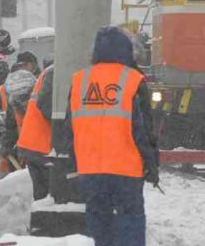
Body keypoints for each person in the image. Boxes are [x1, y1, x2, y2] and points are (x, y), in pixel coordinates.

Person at [64, 26, 159, 246]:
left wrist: (74, 162)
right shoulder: (134, 80)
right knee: (130, 221)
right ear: (126, 50)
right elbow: (143, 130)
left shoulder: (79, 81)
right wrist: (151, 164)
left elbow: (70, 128)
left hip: (91, 169)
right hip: (126, 169)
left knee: (99, 225)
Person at [17, 64, 54, 200]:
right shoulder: (56, 72)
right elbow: (45, 104)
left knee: (42, 196)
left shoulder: (50, 72)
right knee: (49, 197)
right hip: (43, 146)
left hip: (34, 144)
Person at [0, 69, 38, 161]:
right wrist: (7, 144)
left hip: (42, 151)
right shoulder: (14, 104)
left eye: (24, 96)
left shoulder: (42, 102)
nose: (21, 100)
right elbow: (10, 126)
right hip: (25, 150)